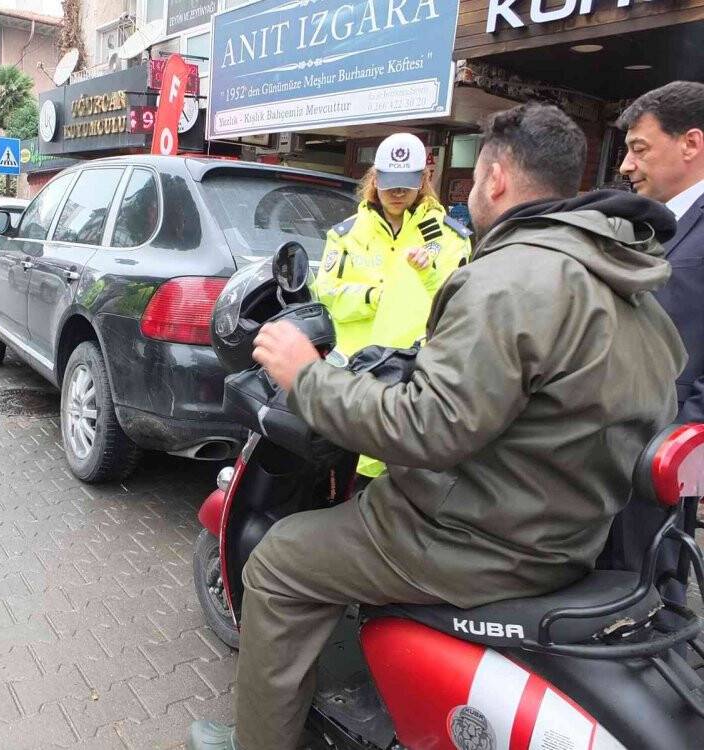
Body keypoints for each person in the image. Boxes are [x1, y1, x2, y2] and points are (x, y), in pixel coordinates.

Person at [188, 103, 686, 750]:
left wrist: (306, 376)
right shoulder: (624, 279)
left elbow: (428, 429)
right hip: (567, 526)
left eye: (473, 178)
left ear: (497, 176)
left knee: (283, 560)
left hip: (481, 538)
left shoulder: (506, 274)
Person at [314, 132, 471, 479]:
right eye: (389, 184)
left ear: (423, 180)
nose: (397, 193)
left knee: (402, 485)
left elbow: (460, 305)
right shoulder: (348, 234)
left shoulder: (447, 238)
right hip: (353, 376)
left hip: (413, 379)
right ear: (375, 179)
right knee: (342, 481)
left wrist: (428, 274)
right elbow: (325, 293)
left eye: (406, 184)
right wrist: (373, 298)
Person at [604, 80, 704, 615]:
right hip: (613, 455)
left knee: (652, 607)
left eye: (639, 148)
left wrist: (681, 446)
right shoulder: (649, 224)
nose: (625, 166)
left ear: (690, 143)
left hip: (661, 460)